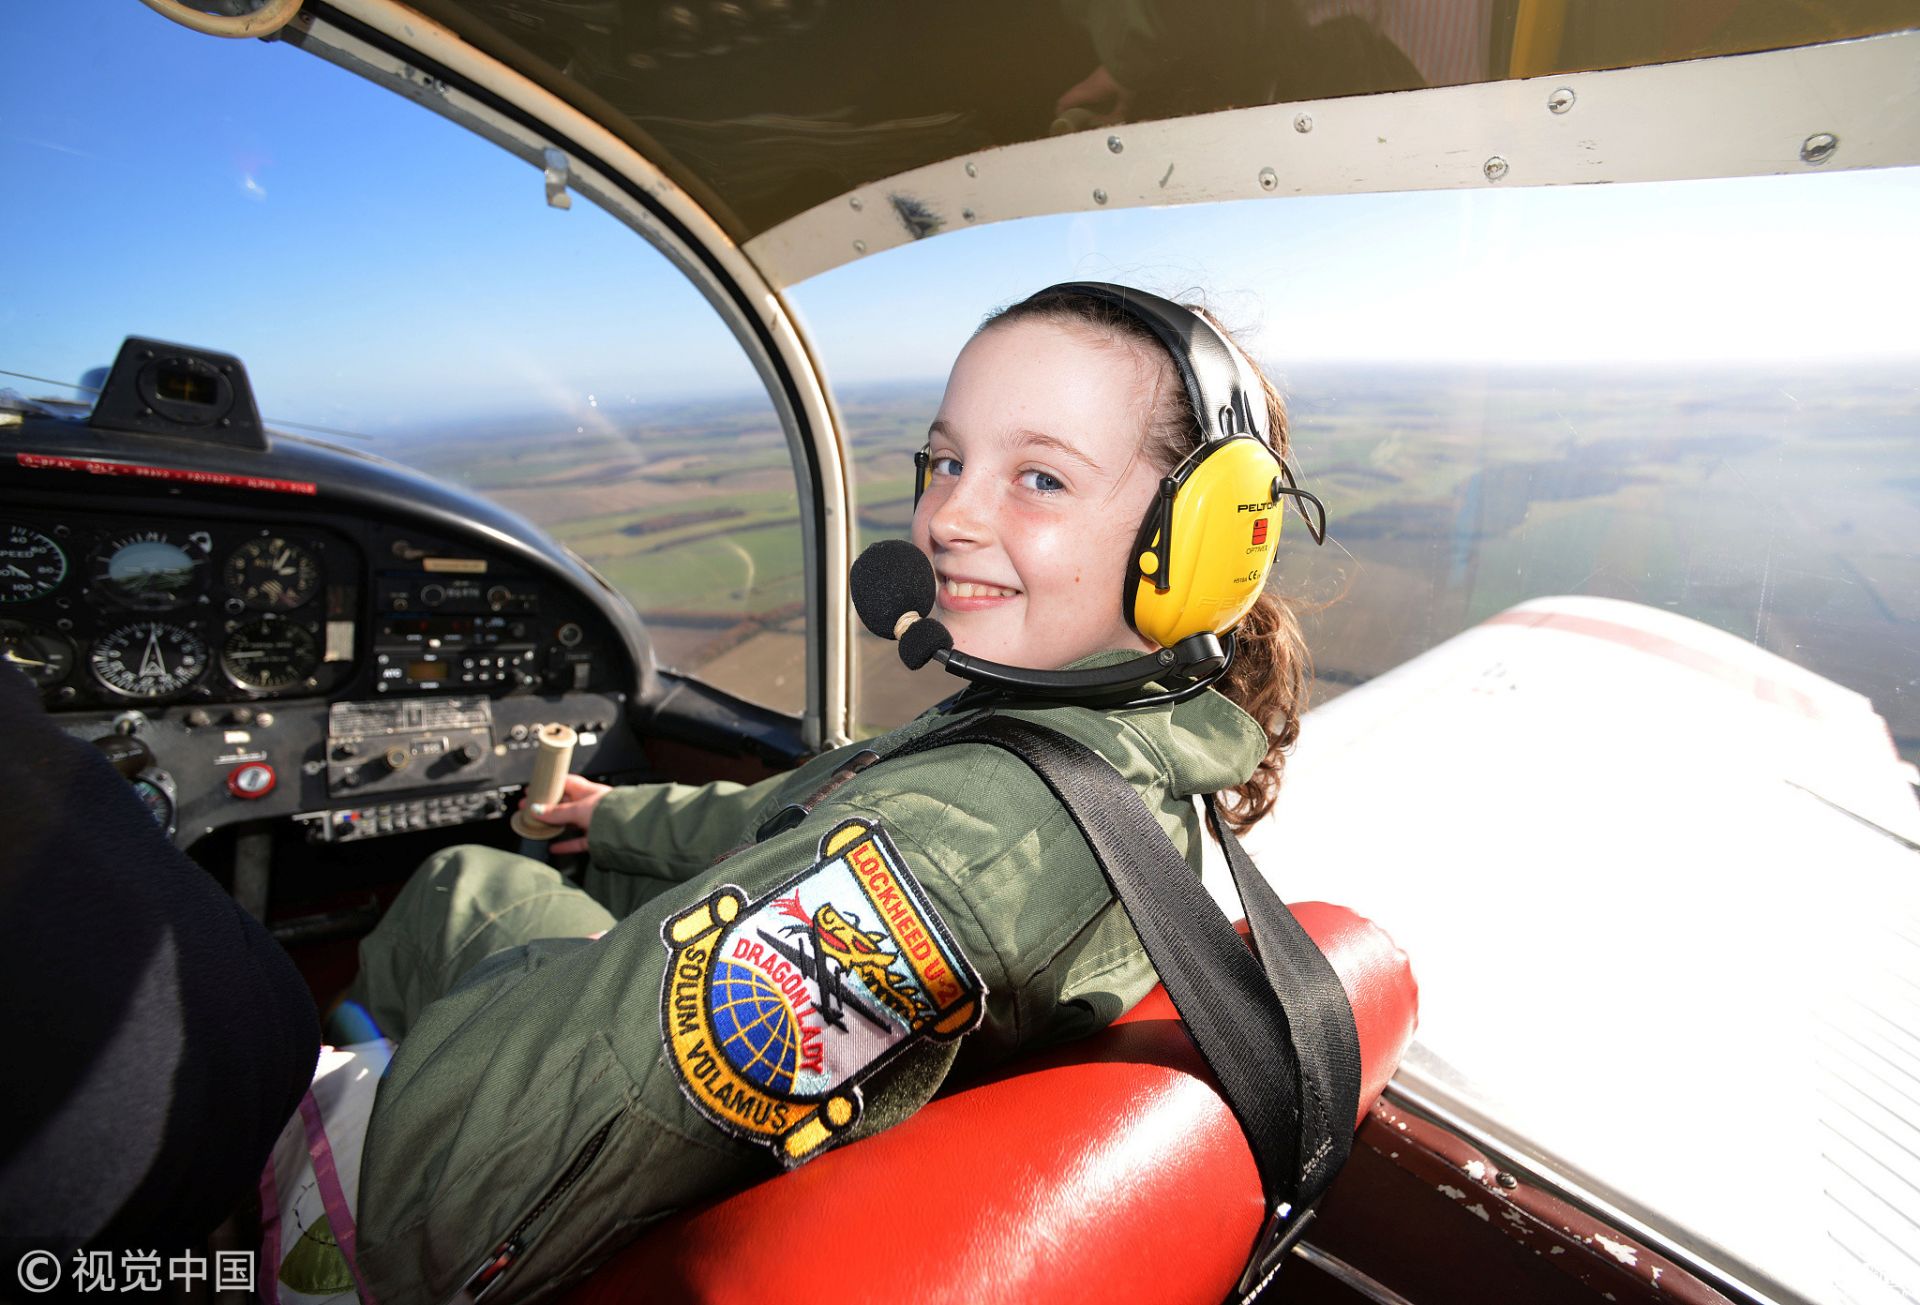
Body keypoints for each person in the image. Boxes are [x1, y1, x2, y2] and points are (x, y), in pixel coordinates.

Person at [346, 284, 1314, 1302]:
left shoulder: (961, 838)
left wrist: (600, 976)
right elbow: (806, 804)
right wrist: (611, 814)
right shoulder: (1096, 736)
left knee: (464, 886)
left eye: (1039, 477)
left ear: (1203, 538)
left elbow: (451, 1198)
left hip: (455, 1215)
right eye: (946, 461)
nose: (948, 518)